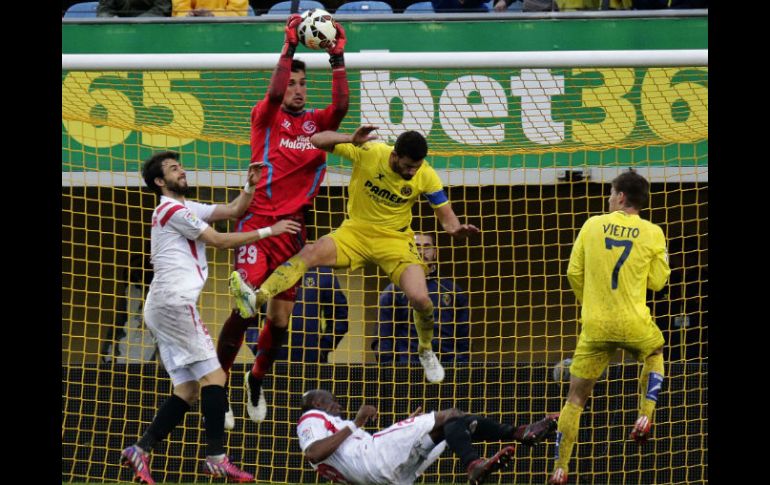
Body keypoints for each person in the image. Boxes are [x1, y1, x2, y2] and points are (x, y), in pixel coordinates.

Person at [230, 125, 479, 385]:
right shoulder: (370, 152)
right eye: (407, 166)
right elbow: (316, 138)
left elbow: (447, 218)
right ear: (395, 155)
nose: (410, 172)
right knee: (309, 253)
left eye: (415, 167)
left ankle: (426, 351)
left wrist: (457, 229)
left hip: (395, 240)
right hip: (355, 232)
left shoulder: (426, 175)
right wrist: (350, 138)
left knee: (421, 299)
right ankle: (257, 297)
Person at [119, 151, 301, 484]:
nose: (182, 171)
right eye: (174, 169)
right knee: (216, 378)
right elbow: (217, 240)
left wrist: (250, 185)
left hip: (162, 306)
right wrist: (268, 231)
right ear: (160, 181)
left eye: (181, 166)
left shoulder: (186, 208)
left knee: (187, 390)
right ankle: (217, 458)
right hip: (174, 303)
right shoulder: (170, 209)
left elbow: (235, 210)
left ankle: (140, 450)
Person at [215, 13, 349, 426]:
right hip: (257, 223)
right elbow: (273, 93)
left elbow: (341, 107)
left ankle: (256, 380)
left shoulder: (315, 123)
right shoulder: (265, 114)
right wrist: (288, 47)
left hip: (292, 231)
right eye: (291, 82)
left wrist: (338, 59)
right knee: (245, 309)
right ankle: (218, 389)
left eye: (302, 83)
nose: (296, 89)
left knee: (278, 321)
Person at [548, 171, 670, 485]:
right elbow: (658, 282)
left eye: (610, 192)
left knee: (575, 398)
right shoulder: (653, 233)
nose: (608, 197)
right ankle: (646, 413)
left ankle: (560, 468)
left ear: (620, 197)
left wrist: (590, 304)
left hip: (595, 324)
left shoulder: (591, 225)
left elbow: (573, 272)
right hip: (633, 321)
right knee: (655, 351)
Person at [297, 389, 558, 485]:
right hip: (376, 457)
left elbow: (353, 455)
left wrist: (406, 427)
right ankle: (517, 434)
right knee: (450, 415)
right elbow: (313, 453)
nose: (336, 405)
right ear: (317, 403)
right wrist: (357, 421)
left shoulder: (338, 429)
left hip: (388, 474)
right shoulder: (311, 419)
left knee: (452, 426)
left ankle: (475, 464)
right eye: (329, 400)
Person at [372, 232, 470, 365]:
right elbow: (383, 338)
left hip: (447, 369)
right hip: (408, 370)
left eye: (427, 246)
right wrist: (391, 371)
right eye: (416, 246)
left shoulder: (452, 291)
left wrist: (460, 367)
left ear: (435, 253)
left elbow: (464, 338)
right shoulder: (394, 291)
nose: (422, 251)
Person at [245, 266, 349, 363]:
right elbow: (248, 318)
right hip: (270, 363)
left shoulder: (321, 272)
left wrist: (323, 348)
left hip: (312, 363)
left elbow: (339, 314)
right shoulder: (265, 271)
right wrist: (258, 347)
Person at [101, 249, 154, 364]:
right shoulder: (131, 291)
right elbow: (118, 324)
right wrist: (108, 355)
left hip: (149, 362)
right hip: (123, 359)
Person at [172, 0, 248, 16]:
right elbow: (180, 10)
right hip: (188, 27)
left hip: (226, 28)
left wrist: (212, 15)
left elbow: (238, 12)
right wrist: (190, 15)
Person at [97, 0, 171, 17]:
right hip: (119, 31)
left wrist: (134, 23)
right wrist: (109, 20)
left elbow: (163, 9)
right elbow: (104, 8)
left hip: (150, 29)